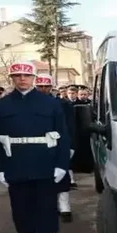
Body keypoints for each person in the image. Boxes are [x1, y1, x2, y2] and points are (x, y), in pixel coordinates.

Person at [0, 62, 70, 233]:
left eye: (26, 75)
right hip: (15, 163)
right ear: (11, 78)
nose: (22, 79)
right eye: (17, 75)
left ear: (34, 78)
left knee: (46, 208)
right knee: (21, 209)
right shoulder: (1, 105)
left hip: (45, 162)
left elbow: (63, 135)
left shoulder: (50, 103)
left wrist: (61, 164)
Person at [36, 74, 75, 222]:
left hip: (59, 143)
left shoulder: (63, 104)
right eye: (40, 86)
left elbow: (71, 126)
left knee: (62, 175)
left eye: (46, 86)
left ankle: (64, 205)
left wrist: (72, 145)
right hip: (38, 145)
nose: (43, 89)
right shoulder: (29, 104)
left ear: (51, 87)